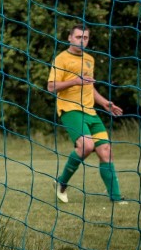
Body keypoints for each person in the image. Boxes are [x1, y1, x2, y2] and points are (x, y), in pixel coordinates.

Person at [48, 24, 126, 204]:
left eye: (85, 38)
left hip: (90, 112)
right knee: (86, 146)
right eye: (78, 37)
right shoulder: (61, 59)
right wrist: (75, 81)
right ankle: (61, 183)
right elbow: (51, 87)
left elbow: (89, 88)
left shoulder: (90, 59)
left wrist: (106, 103)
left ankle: (116, 198)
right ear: (69, 38)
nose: (82, 41)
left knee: (105, 151)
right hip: (70, 109)